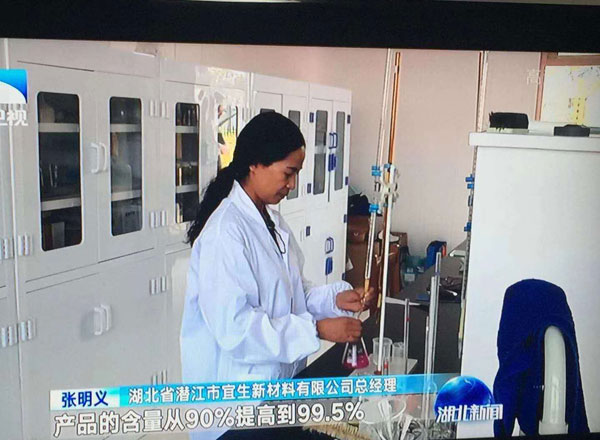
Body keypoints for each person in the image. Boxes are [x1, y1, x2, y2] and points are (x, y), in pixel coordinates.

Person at [180, 112, 374, 439]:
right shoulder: (225, 233)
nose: (292, 184)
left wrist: (335, 299)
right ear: (255, 164)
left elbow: (293, 294)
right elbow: (236, 330)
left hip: (275, 392)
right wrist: (317, 329)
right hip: (236, 410)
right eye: (289, 172)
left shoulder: (271, 222)